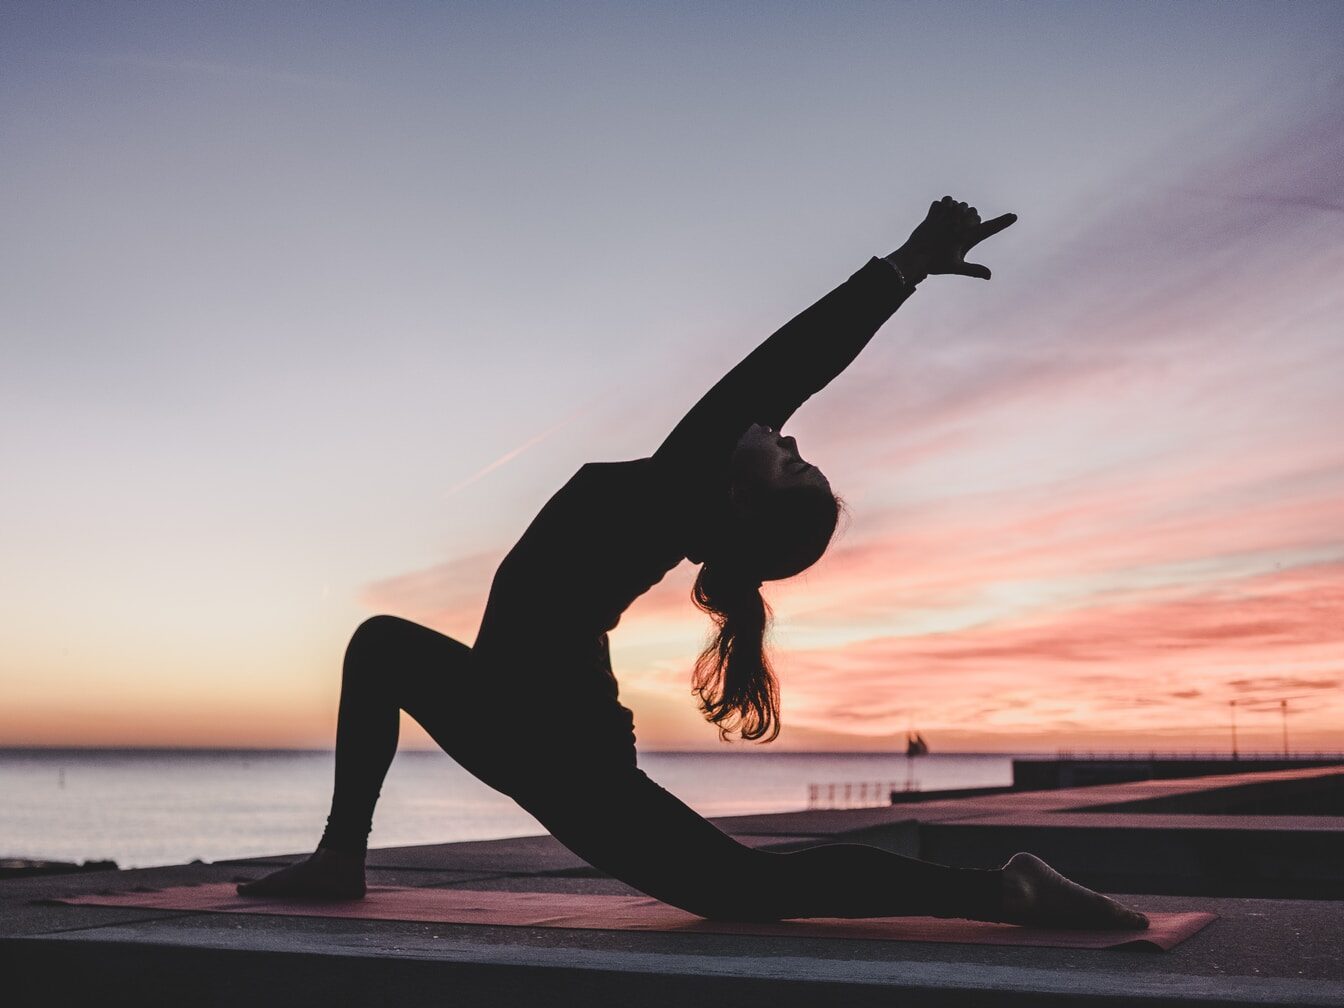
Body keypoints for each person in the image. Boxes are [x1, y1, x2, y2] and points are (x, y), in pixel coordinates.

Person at [238, 197, 1148, 930]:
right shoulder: (679, 501)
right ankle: (341, 857)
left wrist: (905, 266)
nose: (784, 434)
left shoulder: (684, 485)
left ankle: (1002, 891)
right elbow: (783, 383)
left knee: (745, 894)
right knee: (380, 645)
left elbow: (789, 364)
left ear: (741, 502)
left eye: (791, 460)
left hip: (554, 744)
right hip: (513, 713)